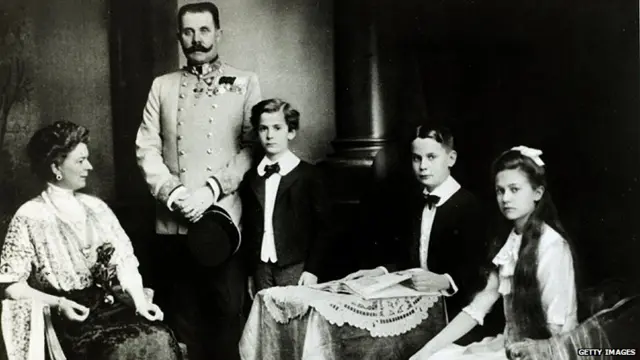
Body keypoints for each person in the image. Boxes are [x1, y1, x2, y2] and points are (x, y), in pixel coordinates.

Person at [135, 2, 261, 359]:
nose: (197, 40)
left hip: (222, 223)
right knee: (182, 323)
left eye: (204, 30)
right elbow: (146, 149)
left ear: (218, 33)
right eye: (188, 32)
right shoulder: (161, 86)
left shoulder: (245, 82)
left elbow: (251, 148)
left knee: (224, 322)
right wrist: (173, 194)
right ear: (179, 37)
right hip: (174, 223)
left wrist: (212, 190)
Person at [0, 121, 182, 360]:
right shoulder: (30, 216)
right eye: (80, 161)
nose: (89, 166)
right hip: (69, 319)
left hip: (108, 308)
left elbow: (124, 261)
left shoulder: (96, 208)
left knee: (160, 336)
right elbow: (11, 286)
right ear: (56, 167)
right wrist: (58, 303)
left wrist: (139, 301)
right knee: (120, 349)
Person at [410, 146, 579, 360]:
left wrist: (503, 349)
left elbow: (557, 328)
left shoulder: (552, 246)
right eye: (500, 190)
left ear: (538, 192)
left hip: (546, 352)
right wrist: (427, 350)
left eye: (514, 189)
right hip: (512, 346)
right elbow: (478, 307)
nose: (505, 198)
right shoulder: (509, 241)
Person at [346, 125, 490, 334]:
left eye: (432, 157)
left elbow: (479, 268)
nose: (423, 166)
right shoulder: (414, 202)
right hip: (420, 306)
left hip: (459, 312)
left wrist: (445, 280)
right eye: (416, 158)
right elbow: (409, 257)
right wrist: (380, 271)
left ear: (451, 159)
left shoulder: (470, 206)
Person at [239, 99, 332, 296]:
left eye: (277, 128)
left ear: (291, 132)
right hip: (260, 268)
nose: (270, 135)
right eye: (263, 129)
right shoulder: (251, 177)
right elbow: (249, 228)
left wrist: (312, 270)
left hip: (295, 267)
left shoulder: (309, 175)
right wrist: (250, 273)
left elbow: (324, 228)